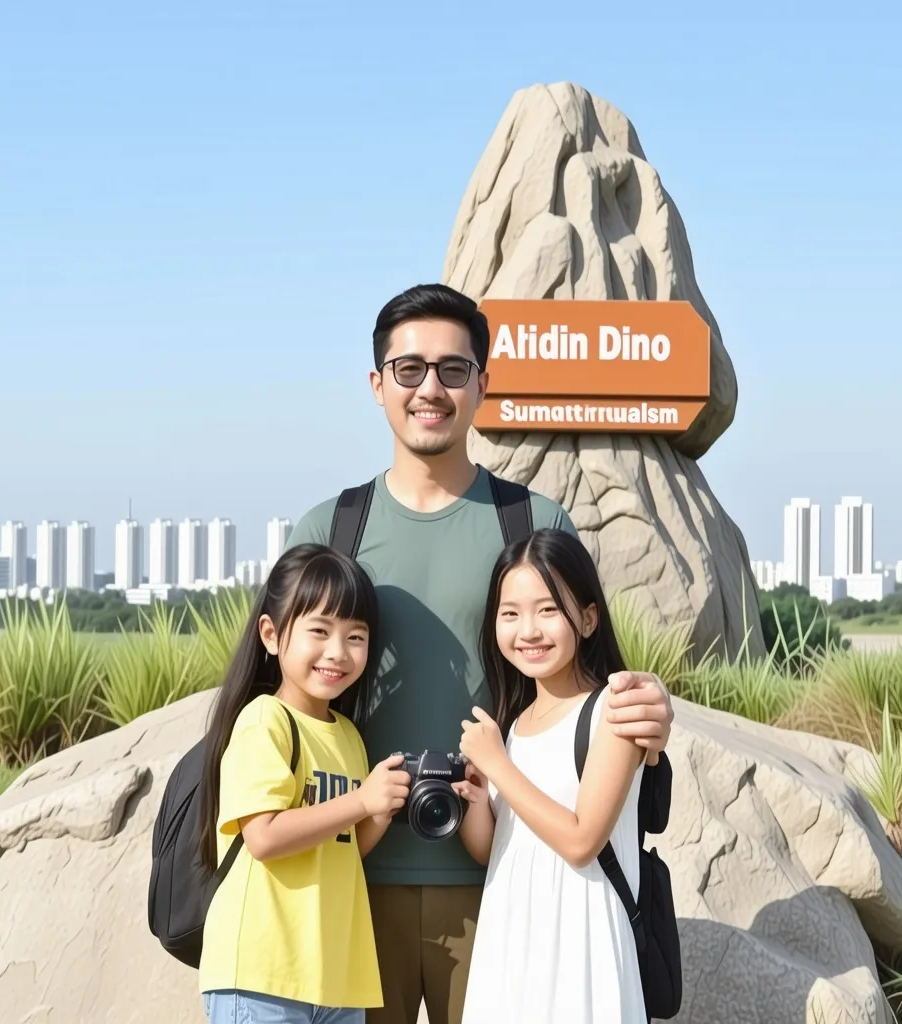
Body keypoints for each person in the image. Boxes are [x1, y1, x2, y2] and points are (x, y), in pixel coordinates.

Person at [283, 283, 675, 1024]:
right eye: (409, 369)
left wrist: (649, 705)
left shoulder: (531, 522)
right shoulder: (329, 530)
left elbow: (586, 673)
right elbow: (279, 697)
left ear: (483, 384)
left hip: (500, 880)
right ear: (377, 385)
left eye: (453, 369)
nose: (431, 388)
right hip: (352, 877)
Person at [197, 543, 413, 1024]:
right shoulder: (265, 721)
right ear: (271, 635)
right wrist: (359, 800)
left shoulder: (350, 735)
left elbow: (342, 847)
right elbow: (265, 837)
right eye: (319, 631)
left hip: (335, 977)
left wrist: (376, 814)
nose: (338, 652)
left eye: (356, 637)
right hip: (263, 973)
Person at [454, 528, 650, 1023]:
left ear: (587, 619)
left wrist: (499, 766)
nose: (528, 631)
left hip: (581, 938)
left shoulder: (612, 710)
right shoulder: (514, 723)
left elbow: (582, 839)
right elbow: (495, 850)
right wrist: (477, 796)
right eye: (510, 613)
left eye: (548, 610)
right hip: (511, 937)